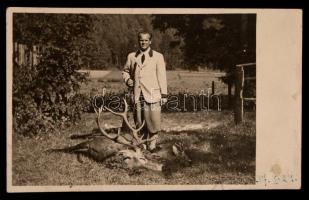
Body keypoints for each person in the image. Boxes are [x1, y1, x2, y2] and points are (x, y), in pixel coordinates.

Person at [122, 31, 167, 152]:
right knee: (139, 120)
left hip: (153, 93)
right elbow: (125, 71)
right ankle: (142, 144)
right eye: (141, 40)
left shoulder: (158, 56)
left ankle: (152, 144)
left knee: (153, 119)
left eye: (146, 40)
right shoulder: (131, 56)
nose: (143, 42)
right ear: (138, 41)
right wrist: (128, 80)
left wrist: (164, 94)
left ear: (150, 41)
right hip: (137, 94)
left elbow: (162, 76)